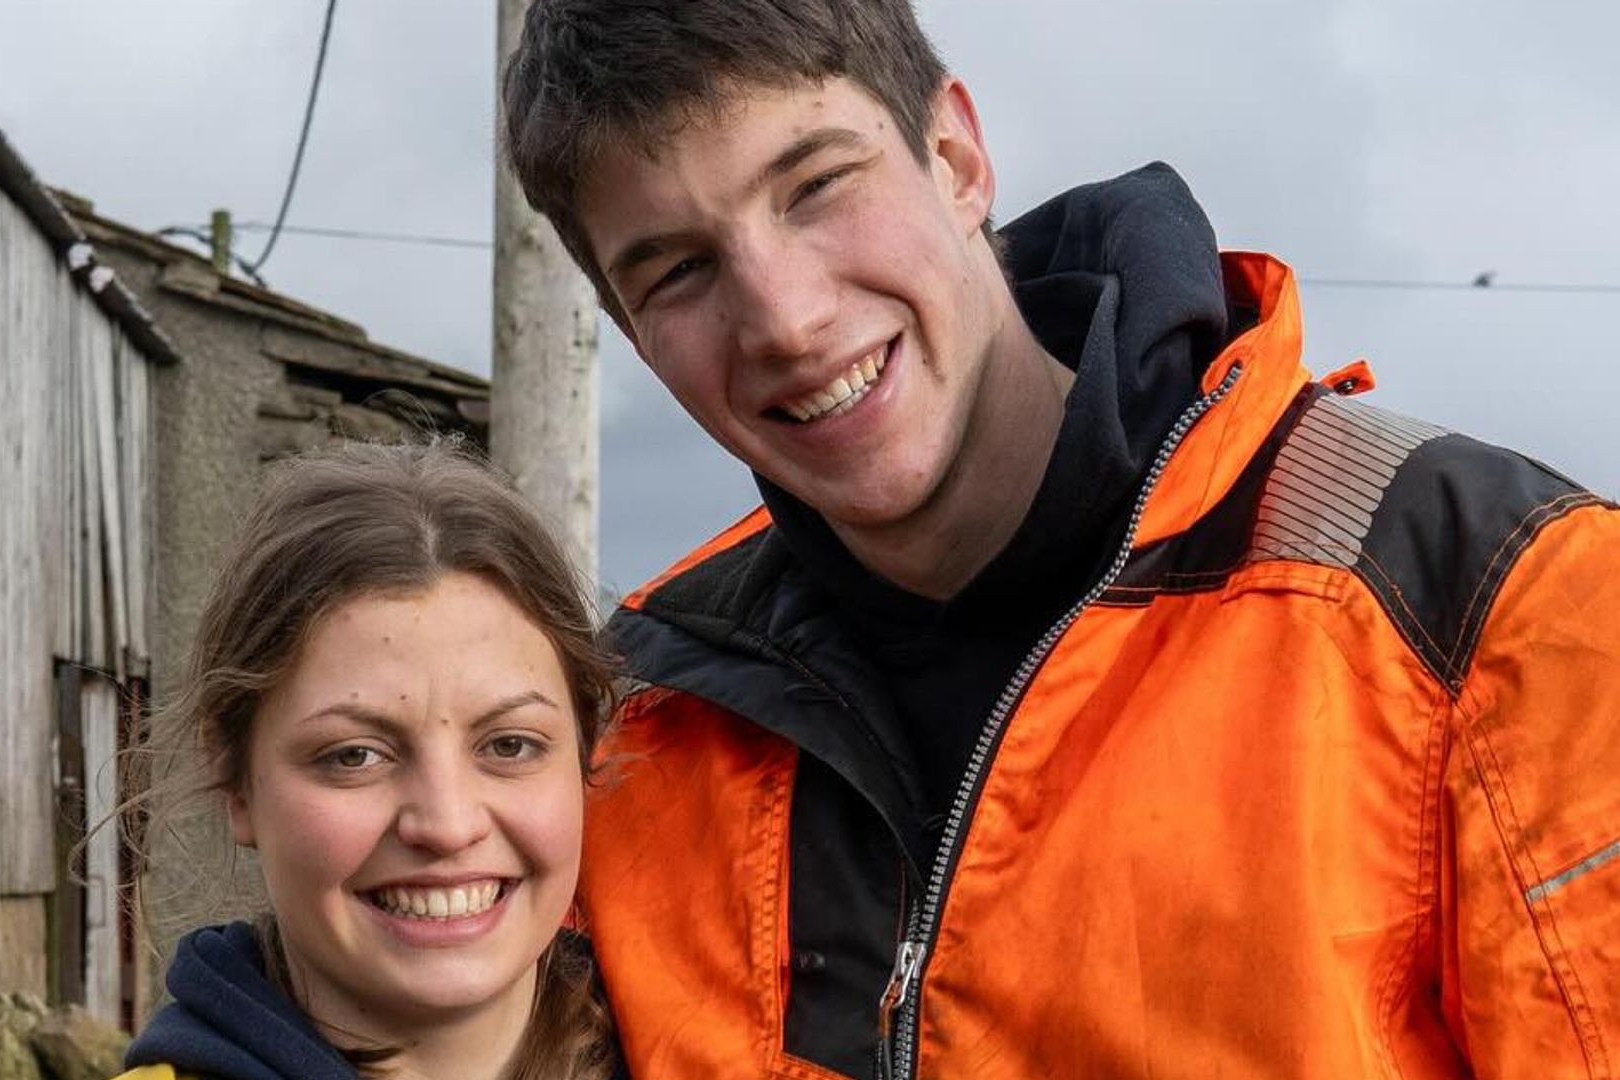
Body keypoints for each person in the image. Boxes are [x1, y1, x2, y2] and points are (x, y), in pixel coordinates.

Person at [501, 2, 1620, 1078]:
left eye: (817, 187)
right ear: (633, 334)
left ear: (954, 157)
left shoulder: (1502, 602)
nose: (786, 319)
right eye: (679, 270)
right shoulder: (630, 738)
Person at [112, 442, 623, 1080]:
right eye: (355, 756)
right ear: (236, 783)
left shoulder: (727, 1050)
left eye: (509, 745)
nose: (446, 825)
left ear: (584, 755)